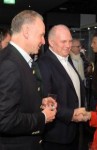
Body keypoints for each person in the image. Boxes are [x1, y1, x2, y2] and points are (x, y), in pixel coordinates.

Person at [0, 10, 57, 150]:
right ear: (26, 31)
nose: (43, 41)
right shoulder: (10, 64)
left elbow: (18, 96)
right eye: (42, 35)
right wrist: (42, 117)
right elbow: (5, 120)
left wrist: (39, 101)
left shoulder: (16, 59)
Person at [38, 24, 86, 150]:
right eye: (63, 41)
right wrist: (71, 114)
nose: (68, 45)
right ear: (51, 42)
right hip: (57, 134)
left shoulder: (67, 59)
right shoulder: (44, 63)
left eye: (70, 41)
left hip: (73, 130)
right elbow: (46, 99)